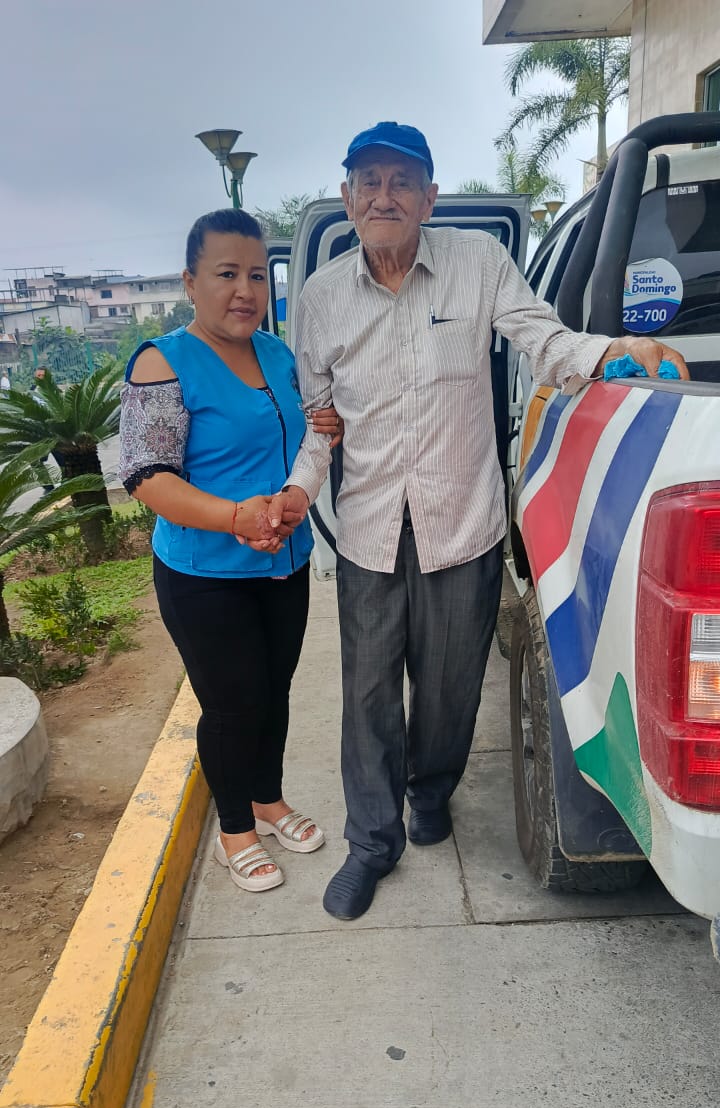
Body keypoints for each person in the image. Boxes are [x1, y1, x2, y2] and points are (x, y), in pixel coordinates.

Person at [270, 120, 690, 921]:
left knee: (450, 688)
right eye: (369, 182)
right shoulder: (320, 298)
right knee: (367, 694)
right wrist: (298, 490)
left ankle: (431, 790)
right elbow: (321, 421)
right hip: (367, 527)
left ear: (429, 197)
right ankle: (372, 842)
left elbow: (543, 338)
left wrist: (608, 353)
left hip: (460, 522)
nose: (384, 196)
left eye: (401, 182)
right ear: (348, 197)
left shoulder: (478, 263)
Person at [118, 207, 342, 894]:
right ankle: (235, 830)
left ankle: (268, 801)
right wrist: (235, 517)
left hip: (283, 561)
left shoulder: (277, 355)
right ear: (191, 282)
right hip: (204, 574)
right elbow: (146, 476)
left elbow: (309, 432)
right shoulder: (164, 360)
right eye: (225, 274)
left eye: (256, 275)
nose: (245, 290)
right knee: (231, 703)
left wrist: (300, 482)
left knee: (273, 691)